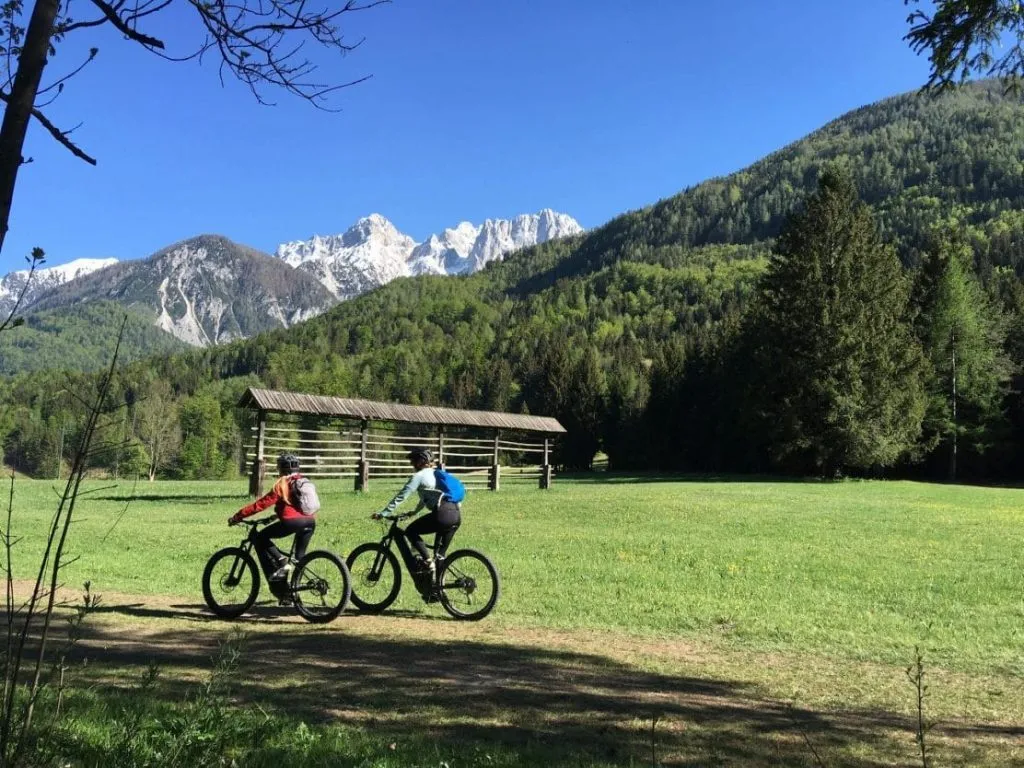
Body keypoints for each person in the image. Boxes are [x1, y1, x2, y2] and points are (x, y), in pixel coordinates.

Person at [229, 453, 316, 590]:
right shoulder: (302, 481)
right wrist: (272, 518)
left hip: (292, 522)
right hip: (310, 522)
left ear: (282, 468)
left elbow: (261, 504)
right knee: (300, 558)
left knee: (261, 537)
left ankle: (281, 561)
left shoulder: (282, 483)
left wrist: (238, 516)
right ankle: (292, 591)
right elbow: (293, 505)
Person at [373, 448, 461, 577]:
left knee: (411, 531)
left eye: (413, 461)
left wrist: (384, 513)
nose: (411, 464)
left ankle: (427, 561)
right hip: (456, 514)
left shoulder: (419, 476)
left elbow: (402, 495)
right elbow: (429, 497)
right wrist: (414, 512)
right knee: (440, 557)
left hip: (442, 514)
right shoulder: (436, 474)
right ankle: (436, 589)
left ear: (420, 461)